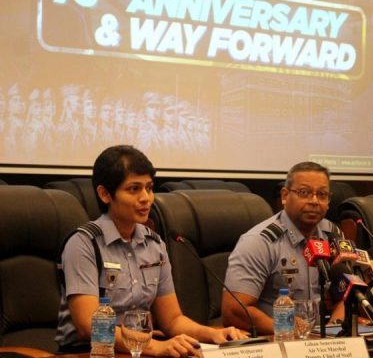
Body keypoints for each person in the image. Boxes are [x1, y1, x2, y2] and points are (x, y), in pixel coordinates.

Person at [55, 145, 247, 356]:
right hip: (89, 352)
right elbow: (89, 326)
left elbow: (172, 320)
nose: (146, 198)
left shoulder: (154, 244)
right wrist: (155, 346)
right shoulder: (83, 244)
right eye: (134, 189)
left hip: (141, 351)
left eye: (149, 188)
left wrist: (213, 334)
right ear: (105, 194)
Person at [222, 161, 344, 334]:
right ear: (285, 196)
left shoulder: (333, 236)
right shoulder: (259, 242)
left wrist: (336, 330)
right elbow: (234, 311)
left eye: (322, 194)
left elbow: (346, 295)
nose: (314, 201)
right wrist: (289, 329)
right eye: (304, 193)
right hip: (276, 338)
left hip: (322, 340)